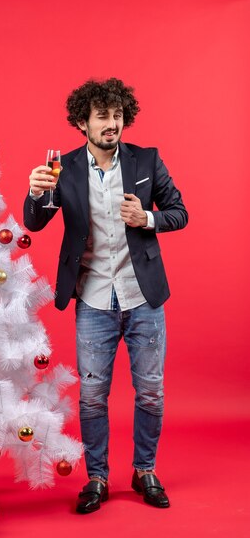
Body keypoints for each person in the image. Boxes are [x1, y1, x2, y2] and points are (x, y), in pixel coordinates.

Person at [23, 78, 188, 513]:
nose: (112, 124)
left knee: (150, 391)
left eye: (117, 116)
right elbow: (35, 223)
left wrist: (148, 218)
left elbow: (180, 212)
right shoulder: (66, 168)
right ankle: (97, 477)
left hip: (143, 298)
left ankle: (144, 470)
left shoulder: (147, 160)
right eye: (102, 116)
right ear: (82, 122)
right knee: (93, 396)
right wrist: (38, 192)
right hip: (93, 299)